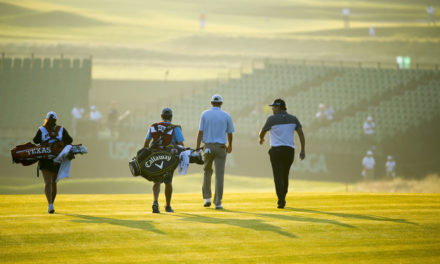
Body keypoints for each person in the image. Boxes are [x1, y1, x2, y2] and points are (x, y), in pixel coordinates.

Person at [259, 99, 306, 209]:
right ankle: (283, 197)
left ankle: (281, 200)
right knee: (285, 175)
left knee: (278, 176)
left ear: (279, 107)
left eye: (274, 107)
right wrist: (303, 150)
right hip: (289, 151)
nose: (272, 109)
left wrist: (261, 139)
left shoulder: (271, 119)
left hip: (276, 150)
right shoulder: (293, 119)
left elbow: (262, 132)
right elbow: (301, 134)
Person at [196, 94, 234, 209]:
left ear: (211, 102)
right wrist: (230, 145)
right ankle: (218, 202)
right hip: (221, 147)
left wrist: (197, 147)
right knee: (219, 175)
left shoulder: (205, 114)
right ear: (221, 103)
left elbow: (200, 132)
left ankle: (207, 198)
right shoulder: (226, 115)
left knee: (207, 172)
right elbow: (230, 133)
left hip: (207, 147)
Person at [144, 108, 184, 213]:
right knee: (168, 182)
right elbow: (181, 146)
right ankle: (168, 206)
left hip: (155, 157)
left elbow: (146, 144)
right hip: (168, 158)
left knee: (156, 181)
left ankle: (155, 202)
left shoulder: (153, 127)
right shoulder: (175, 128)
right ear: (171, 117)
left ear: (161, 116)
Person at [33, 111, 73, 214]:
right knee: (54, 183)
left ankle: (50, 204)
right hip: (57, 159)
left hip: (45, 158)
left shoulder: (41, 129)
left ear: (46, 119)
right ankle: (51, 205)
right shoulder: (61, 129)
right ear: (56, 120)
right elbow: (70, 140)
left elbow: (35, 141)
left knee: (48, 182)